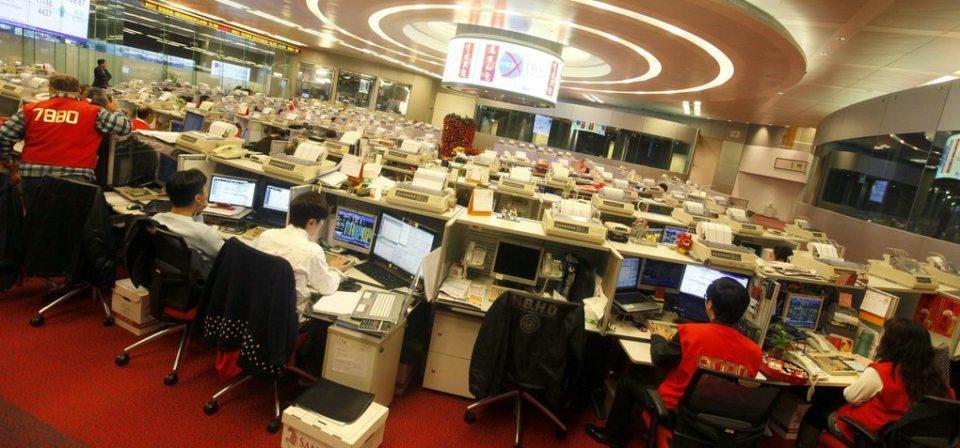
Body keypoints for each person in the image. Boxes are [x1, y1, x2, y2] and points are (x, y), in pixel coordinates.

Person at [585, 277, 762, 447]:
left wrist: (657, 336)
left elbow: (660, 357)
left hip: (677, 416)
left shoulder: (691, 333)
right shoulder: (754, 351)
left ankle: (614, 436)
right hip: (723, 426)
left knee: (628, 380)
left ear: (710, 305)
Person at [798, 318, 954, 447]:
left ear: (893, 345)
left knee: (818, 410)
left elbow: (850, 396)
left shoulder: (884, 372)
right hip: (902, 442)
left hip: (867, 437)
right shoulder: (940, 384)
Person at [0, 74, 131, 203]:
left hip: (33, 176)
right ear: (78, 91)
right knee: (70, 216)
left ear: (51, 90)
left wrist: (7, 160)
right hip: (75, 178)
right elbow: (125, 127)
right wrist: (116, 109)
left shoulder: (30, 109)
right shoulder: (93, 112)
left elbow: (4, 135)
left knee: (36, 215)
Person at [250, 191, 350, 315]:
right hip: (289, 316)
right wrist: (335, 270)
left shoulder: (266, 235)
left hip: (257, 309)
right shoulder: (311, 251)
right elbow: (327, 288)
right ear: (311, 222)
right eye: (321, 224)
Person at [152, 169, 224, 277]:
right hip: (203, 279)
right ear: (198, 198)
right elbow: (229, 254)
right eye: (206, 190)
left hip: (168, 276)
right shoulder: (203, 233)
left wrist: (197, 213)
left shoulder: (156, 219)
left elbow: (194, 228)